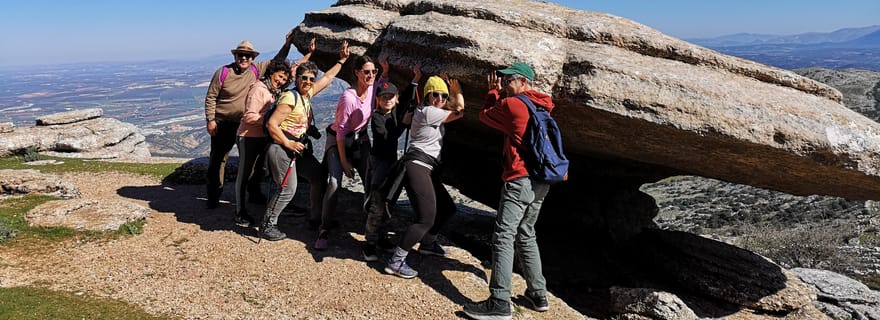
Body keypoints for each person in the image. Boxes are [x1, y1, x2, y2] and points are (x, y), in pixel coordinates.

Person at [463, 62, 554, 319]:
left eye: (509, 81)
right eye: (502, 81)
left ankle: (500, 301)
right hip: (541, 180)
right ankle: (538, 294)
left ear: (523, 82)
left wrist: (492, 93)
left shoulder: (513, 104)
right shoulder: (542, 104)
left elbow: (485, 115)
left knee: (504, 236)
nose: (504, 85)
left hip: (519, 179)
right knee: (526, 233)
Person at [260, 41, 350, 241]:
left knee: (318, 177)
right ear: (297, 79)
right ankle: (267, 224)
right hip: (282, 148)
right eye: (304, 78)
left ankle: (315, 218)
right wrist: (288, 144)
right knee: (287, 188)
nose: (308, 81)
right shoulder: (289, 98)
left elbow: (327, 78)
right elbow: (272, 125)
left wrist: (341, 61)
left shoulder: (306, 95)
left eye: (311, 78)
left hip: (297, 149)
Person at [383, 74, 465, 279]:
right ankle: (396, 260)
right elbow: (460, 111)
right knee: (425, 219)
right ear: (427, 96)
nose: (439, 99)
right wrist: (457, 91)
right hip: (418, 166)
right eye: (435, 95)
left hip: (426, 167)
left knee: (446, 208)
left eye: (443, 96)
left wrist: (446, 90)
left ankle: (428, 243)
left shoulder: (427, 110)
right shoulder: (428, 111)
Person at [203, 33, 296, 209]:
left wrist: (287, 45)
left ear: (252, 58)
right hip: (223, 122)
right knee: (218, 159)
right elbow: (211, 97)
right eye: (240, 55)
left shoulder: (256, 69)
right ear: (235, 56)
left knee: (254, 162)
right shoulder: (223, 72)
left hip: (246, 124)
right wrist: (210, 119)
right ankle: (214, 195)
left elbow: (278, 62)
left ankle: (254, 193)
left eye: (248, 55)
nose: (244, 58)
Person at [234, 40, 315, 227]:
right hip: (248, 137)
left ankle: (257, 199)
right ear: (271, 73)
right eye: (278, 77)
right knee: (244, 174)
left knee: (262, 172)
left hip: (265, 137)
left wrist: (309, 55)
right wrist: (272, 120)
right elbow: (249, 117)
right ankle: (239, 211)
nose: (281, 80)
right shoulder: (259, 89)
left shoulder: (276, 90)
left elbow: (294, 69)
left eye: (284, 79)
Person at [362, 53, 421, 262]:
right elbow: (387, 138)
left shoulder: (393, 111)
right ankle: (369, 243)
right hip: (379, 163)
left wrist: (415, 80)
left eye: (390, 98)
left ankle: (382, 237)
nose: (388, 100)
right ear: (377, 100)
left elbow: (404, 98)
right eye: (383, 97)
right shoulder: (377, 117)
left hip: (389, 162)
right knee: (378, 202)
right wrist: (404, 124)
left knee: (388, 202)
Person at [315, 55, 377, 249]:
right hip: (339, 141)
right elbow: (341, 131)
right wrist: (344, 161)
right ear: (357, 73)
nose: (370, 75)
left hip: (360, 140)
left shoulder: (374, 88)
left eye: (373, 72)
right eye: (366, 72)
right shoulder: (348, 98)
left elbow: (385, 84)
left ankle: (372, 229)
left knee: (371, 179)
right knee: (334, 182)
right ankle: (324, 229)